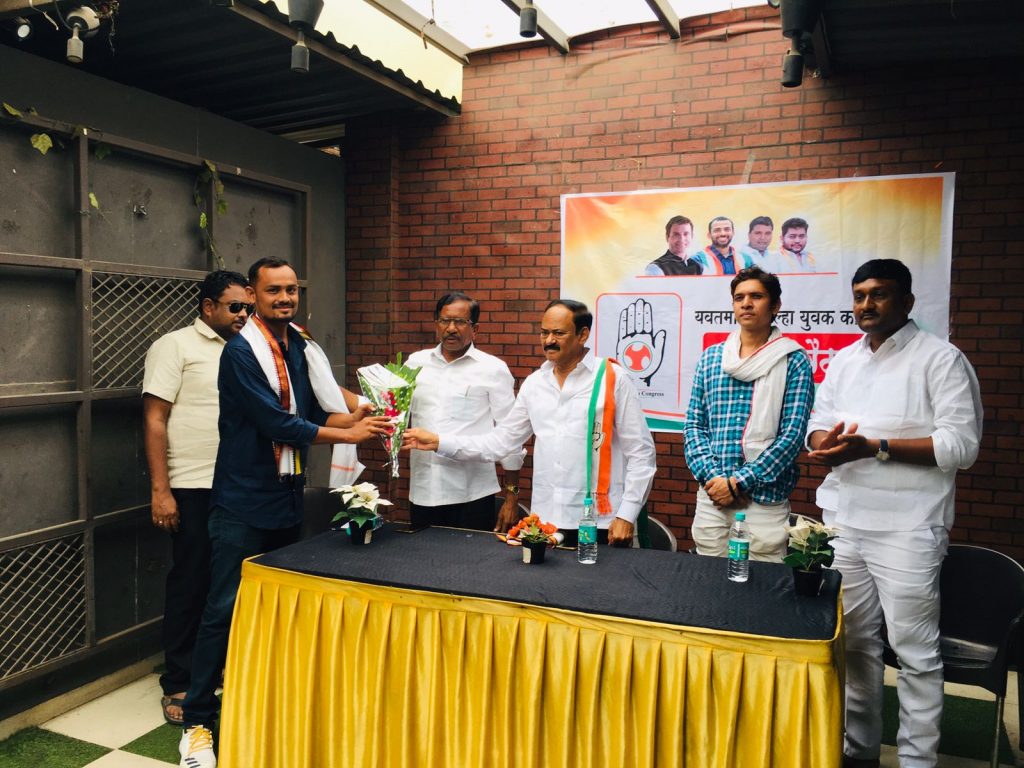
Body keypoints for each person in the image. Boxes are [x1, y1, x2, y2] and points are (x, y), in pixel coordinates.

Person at [178, 258, 390, 768]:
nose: (285, 298)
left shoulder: (298, 345)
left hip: (285, 497)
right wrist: (348, 432)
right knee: (223, 609)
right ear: (253, 295)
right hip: (241, 501)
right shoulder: (240, 351)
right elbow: (276, 423)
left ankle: (266, 703)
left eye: (291, 289)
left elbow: (311, 410)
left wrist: (362, 415)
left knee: (279, 610)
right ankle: (198, 723)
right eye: (274, 290)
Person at [807, 259, 982, 768]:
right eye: (860, 294)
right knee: (855, 645)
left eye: (879, 294)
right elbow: (818, 423)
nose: (866, 304)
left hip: (909, 526)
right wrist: (824, 443)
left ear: (906, 301)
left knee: (915, 652)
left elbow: (961, 446)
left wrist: (876, 447)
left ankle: (916, 760)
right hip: (847, 522)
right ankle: (860, 750)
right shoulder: (845, 360)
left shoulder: (941, 359)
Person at [404, 299, 656, 545]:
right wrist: (439, 442)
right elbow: (501, 443)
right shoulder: (536, 383)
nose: (549, 341)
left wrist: (627, 514)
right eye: (544, 333)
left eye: (558, 333)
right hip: (546, 521)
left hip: (601, 521)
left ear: (583, 335)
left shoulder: (613, 379)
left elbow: (641, 453)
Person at [142, 270, 250, 726]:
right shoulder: (175, 346)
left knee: (226, 583)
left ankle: (214, 667)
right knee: (190, 580)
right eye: (235, 306)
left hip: (238, 485)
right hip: (191, 484)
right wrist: (161, 490)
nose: (243, 314)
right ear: (207, 306)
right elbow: (155, 419)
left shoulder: (246, 348)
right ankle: (179, 681)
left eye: (247, 307)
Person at [683, 267, 815, 560]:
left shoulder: (793, 360)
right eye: (739, 297)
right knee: (707, 578)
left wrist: (738, 483)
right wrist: (716, 480)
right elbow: (694, 425)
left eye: (756, 296)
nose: (746, 304)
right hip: (713, 496)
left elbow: (792, 436)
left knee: (762, 582)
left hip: (764, 500)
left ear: (775, 305)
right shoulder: (712, 358)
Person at [407, 292, 523, 530]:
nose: (451, 328)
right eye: (445, 321)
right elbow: (396, 413)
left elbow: (510, 434)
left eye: (460, 322)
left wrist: (512, 496)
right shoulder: (415, 363)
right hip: (422, 490)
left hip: (472, 495)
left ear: (475, 329)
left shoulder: (492, 369)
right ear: (436, 324)